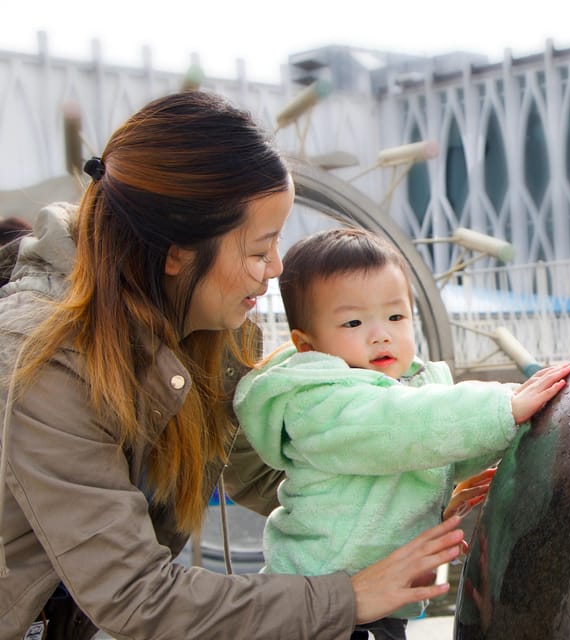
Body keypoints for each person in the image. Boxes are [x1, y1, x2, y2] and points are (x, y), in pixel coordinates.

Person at [0, 91, 468, 640]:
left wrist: (422, 479)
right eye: (257, 249)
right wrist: (348, 597)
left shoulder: (214, 327)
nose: (276, 267)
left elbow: (277, 467)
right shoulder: (45, 362)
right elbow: (134, 597)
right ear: (175, 252)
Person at [233, 227, 570, 640]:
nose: (381, 333)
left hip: (376, 605)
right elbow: (396, 425)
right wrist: (504, 408)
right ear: (308, 345)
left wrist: (507, 435)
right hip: (319, 606)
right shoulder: (319, 403)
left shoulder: (408, 393)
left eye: (396, 316)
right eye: (354, 321)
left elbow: (431, 445)